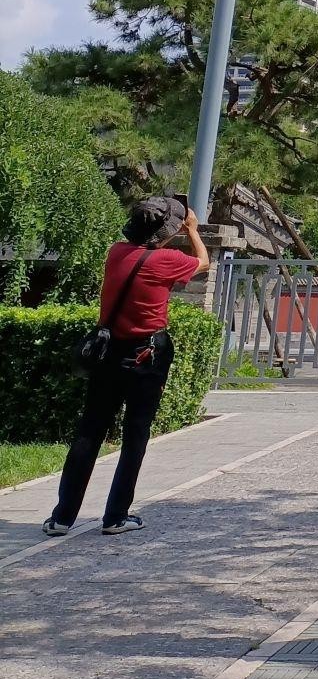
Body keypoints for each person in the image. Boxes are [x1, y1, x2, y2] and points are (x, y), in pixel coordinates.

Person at [44, 195, 210, 537]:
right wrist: (193, 230)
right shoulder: (167, 259)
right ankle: (116, 516)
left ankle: (62, 517)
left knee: (90, 431)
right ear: (169, 230)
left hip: (108, 351)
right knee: (136, 435)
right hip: (147, 354)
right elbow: (203, 262)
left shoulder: (116, 252)